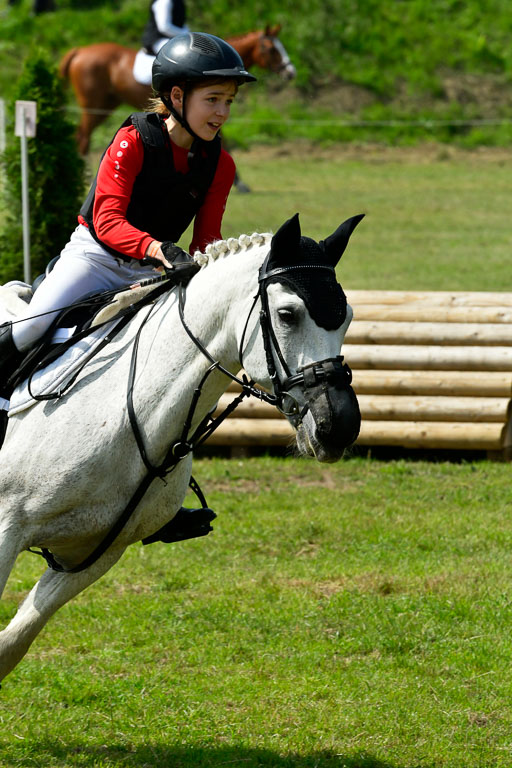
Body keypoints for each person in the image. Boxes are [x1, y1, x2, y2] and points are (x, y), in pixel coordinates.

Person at [0, 32, 257, 398]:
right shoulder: (132, 141)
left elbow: (206, 241)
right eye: (212, 99)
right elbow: (107, 222)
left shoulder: (221, 165)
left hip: (149, 272)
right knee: (31, 328)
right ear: (177, 97)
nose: (222, 113)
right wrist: (158, 250)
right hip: (95, 259)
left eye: (228, 101)